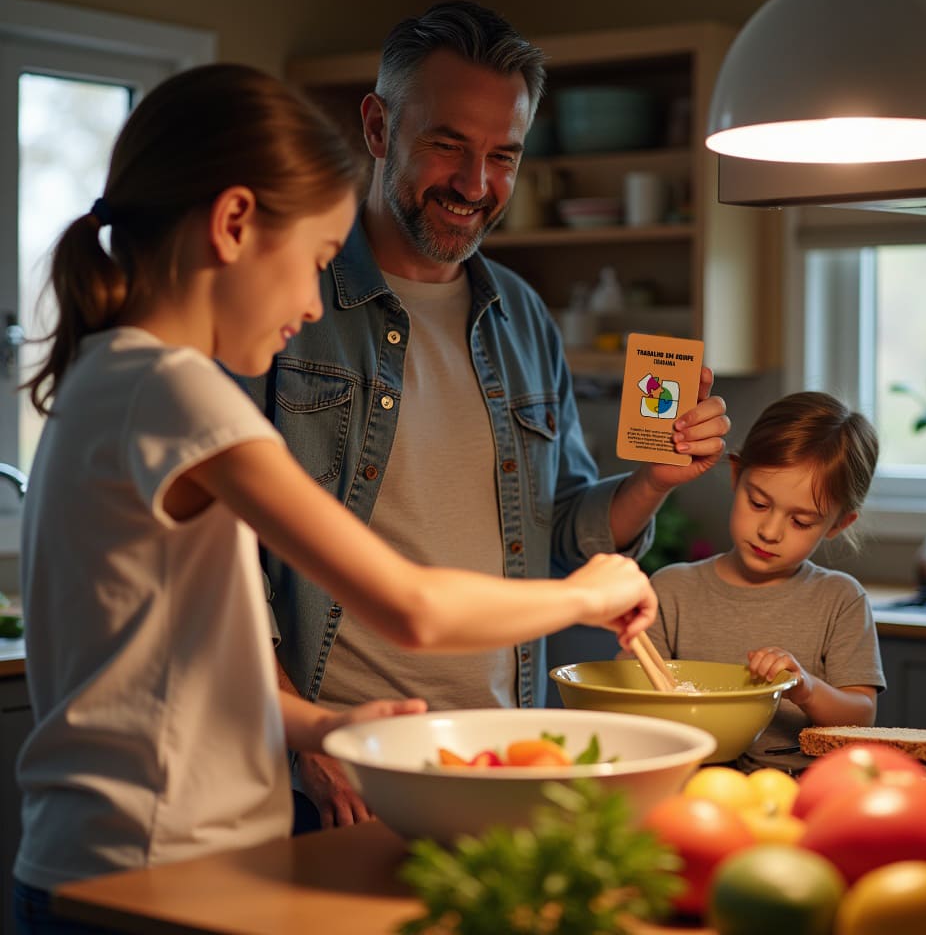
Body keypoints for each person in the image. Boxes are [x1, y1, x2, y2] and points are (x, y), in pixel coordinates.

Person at [13, 62, 660, 934]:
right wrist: (588, 592)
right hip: (162, 868)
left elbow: (162, 668)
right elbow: (410, 606)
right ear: (236, 223)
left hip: (94, 862)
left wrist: (320, 726)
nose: (315, 301)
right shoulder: (178, 391)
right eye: (316, 261)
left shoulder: (106, 378)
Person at [241, 0, 731, 827]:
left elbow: (563, 532)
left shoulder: (522, 316)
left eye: (502, 155)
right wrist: (310, 739)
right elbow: (233, 568)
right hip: (331, 775)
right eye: (447, 146)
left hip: (496, 756)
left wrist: (652, 484)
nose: (475, 186)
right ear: (376, 126)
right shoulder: (290, 305)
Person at [644, 391, 886, 765]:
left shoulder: (841, 600)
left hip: (797, 797)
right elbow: (633, 706)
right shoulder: (671, 590)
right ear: (737, 475)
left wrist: (806, 688)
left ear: (838, 523)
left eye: (801, 521)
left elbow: (860, 718)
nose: (770, 531)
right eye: (758, 503)